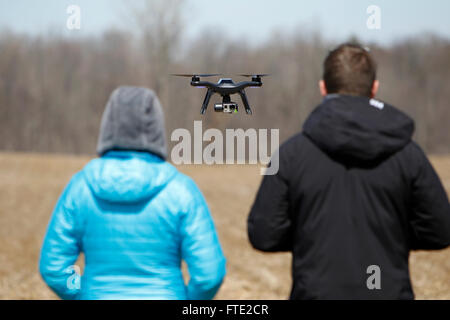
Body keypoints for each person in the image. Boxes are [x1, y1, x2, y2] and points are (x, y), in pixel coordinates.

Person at [247, 43, 450, 300]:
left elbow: (264, 234)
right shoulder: (408, 155)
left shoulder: (291, 154)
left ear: (323, 88)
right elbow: (440, 230)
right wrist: (391, 234)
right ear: (374, 89)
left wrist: (308, 234)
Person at [39, 86, 226, 300]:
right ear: (157, 128)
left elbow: (53, 267)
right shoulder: (182, 191)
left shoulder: (80, 187)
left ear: (107, 126)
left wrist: (80, 292)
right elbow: (209, 275)